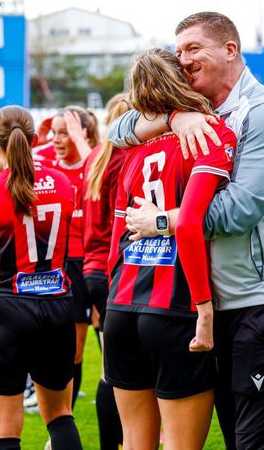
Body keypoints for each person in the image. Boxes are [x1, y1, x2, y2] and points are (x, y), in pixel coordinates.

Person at [109, 12, 264, 450]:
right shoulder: (200, 115)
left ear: (230, 49)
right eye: (178, 50)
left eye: (193, 48)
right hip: (216, 301)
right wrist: (173, 120)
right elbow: (118, 129)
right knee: (233, 438)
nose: (182, 59)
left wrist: (162, 220)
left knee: (259, 441)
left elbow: (242, 210)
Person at [104, 47, 236, 450]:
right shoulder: (210, 134)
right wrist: (205, 308)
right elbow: (191, 225)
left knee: (134, 443)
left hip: (121, 308)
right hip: (175, 310)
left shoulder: (132, 151)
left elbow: (117, 239)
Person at [0, 105, 82, 450]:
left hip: (7, 309)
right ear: (34, 140)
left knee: (4, 430)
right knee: (61, 416)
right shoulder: (61, 181)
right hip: (57, 306)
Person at [82, 92, 131, 449]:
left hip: (91, 270)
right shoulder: (128, 157)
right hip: (117, 271)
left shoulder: (96, 158)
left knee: (111, 369)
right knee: (120, 371)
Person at [46, 106, 99, 407]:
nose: (55, 139)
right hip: (55, 265)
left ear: (83, 135)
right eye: (53, 133)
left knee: (82, 345)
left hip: (88, 265)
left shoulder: (95, 166)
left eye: (63, 132)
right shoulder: (47, 168)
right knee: (61, 346)